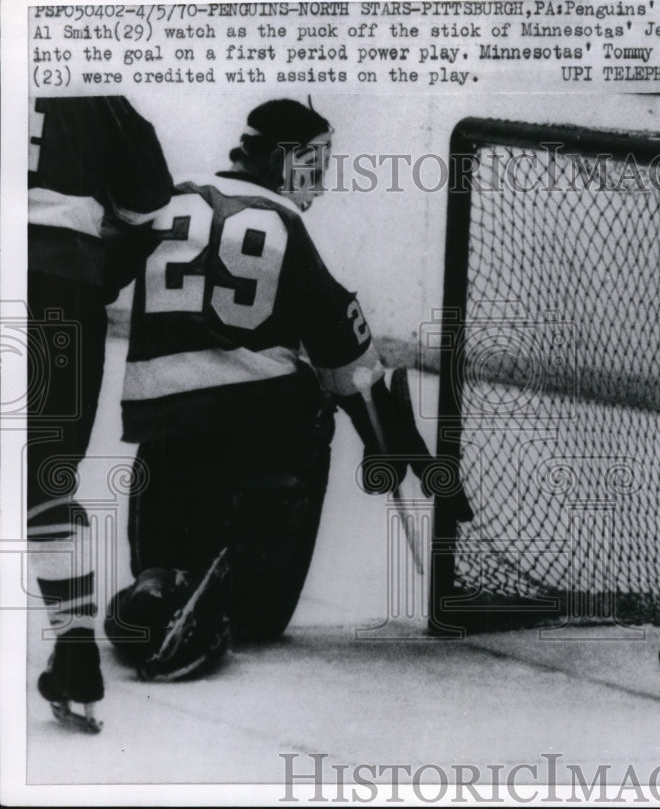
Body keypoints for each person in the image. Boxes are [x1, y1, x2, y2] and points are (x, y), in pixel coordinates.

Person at [105, 99, 440, 680]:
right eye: (319, 162)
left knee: (164, 467)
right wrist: (383, 435)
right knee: (309, 402)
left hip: (162, 422)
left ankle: (158, 582)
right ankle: (246, 584)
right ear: (290, 159)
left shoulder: (171, 198)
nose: (323, 179)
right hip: (257, 423)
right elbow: (347, 359)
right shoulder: (283, 222)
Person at [27, 96, 174, 730]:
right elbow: (148, 198)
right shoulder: (87, 79)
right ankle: (76, 649)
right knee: (47, 476)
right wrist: (96, 278)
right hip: (62, 282)